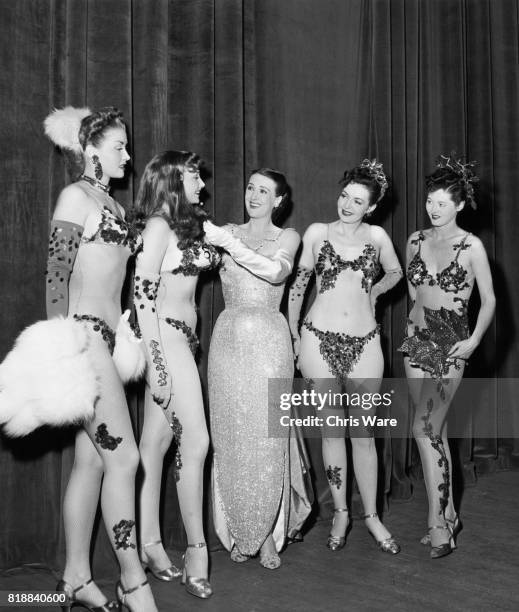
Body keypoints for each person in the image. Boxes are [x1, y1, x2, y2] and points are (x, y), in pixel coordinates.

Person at [44, 107, 158, 611]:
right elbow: (55, 276)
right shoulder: (74, 196)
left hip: (113, 341)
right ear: (91, 151)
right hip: (85, 340)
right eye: (119, 147)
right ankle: (132, 580)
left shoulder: (108, 202)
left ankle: (75, 577)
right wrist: (61, 346)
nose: (128, 157)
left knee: (90, 462)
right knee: (126, 458)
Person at [288, 159, 402, 554]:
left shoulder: (378, 236)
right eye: (344, 196)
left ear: (371, 207)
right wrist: (294, 335)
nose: (348, 205)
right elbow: (299, 286)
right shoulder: (317, 232)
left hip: (366, 344)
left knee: (364, 435)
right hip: (317, 341)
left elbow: (396, 272)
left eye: (358, 201)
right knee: (331, 430)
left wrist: (374, 293)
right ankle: (340, 511)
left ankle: (371, 515)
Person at [203, 168, 311, 569]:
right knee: (230, 434)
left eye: (264, 190)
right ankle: (235, 527)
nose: (254, 195)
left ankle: (266, 533)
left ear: (279, 200)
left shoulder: (288, 237)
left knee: (267, 436)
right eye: (250, 186)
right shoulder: (225, 230)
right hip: (228, 340)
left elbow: (276, 272)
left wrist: (226, 241)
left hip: (269, 342)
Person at [131, 150, 220, 599]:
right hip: (164, 338)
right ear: (170, 179)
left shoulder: (188, 226)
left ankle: (149, 542)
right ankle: (197, 550)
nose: (202, 184)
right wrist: (158, 363)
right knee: (197, 441)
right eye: (193, 177)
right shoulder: (158, 226)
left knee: (157, 440)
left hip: (185, 338)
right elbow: (142, 295)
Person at [399, 153, 495, 558]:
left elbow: (489, 300)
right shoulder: (416, 240)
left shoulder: (472, 246)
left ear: (459, 205)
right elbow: (412, 289)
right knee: (429, 433)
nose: (434, 209)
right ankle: (448, 514)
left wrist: (472, 340)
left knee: (425, 429)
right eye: (430, 201)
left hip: (450, 343)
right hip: (415, 341)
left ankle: (438, 523)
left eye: (442, 203)